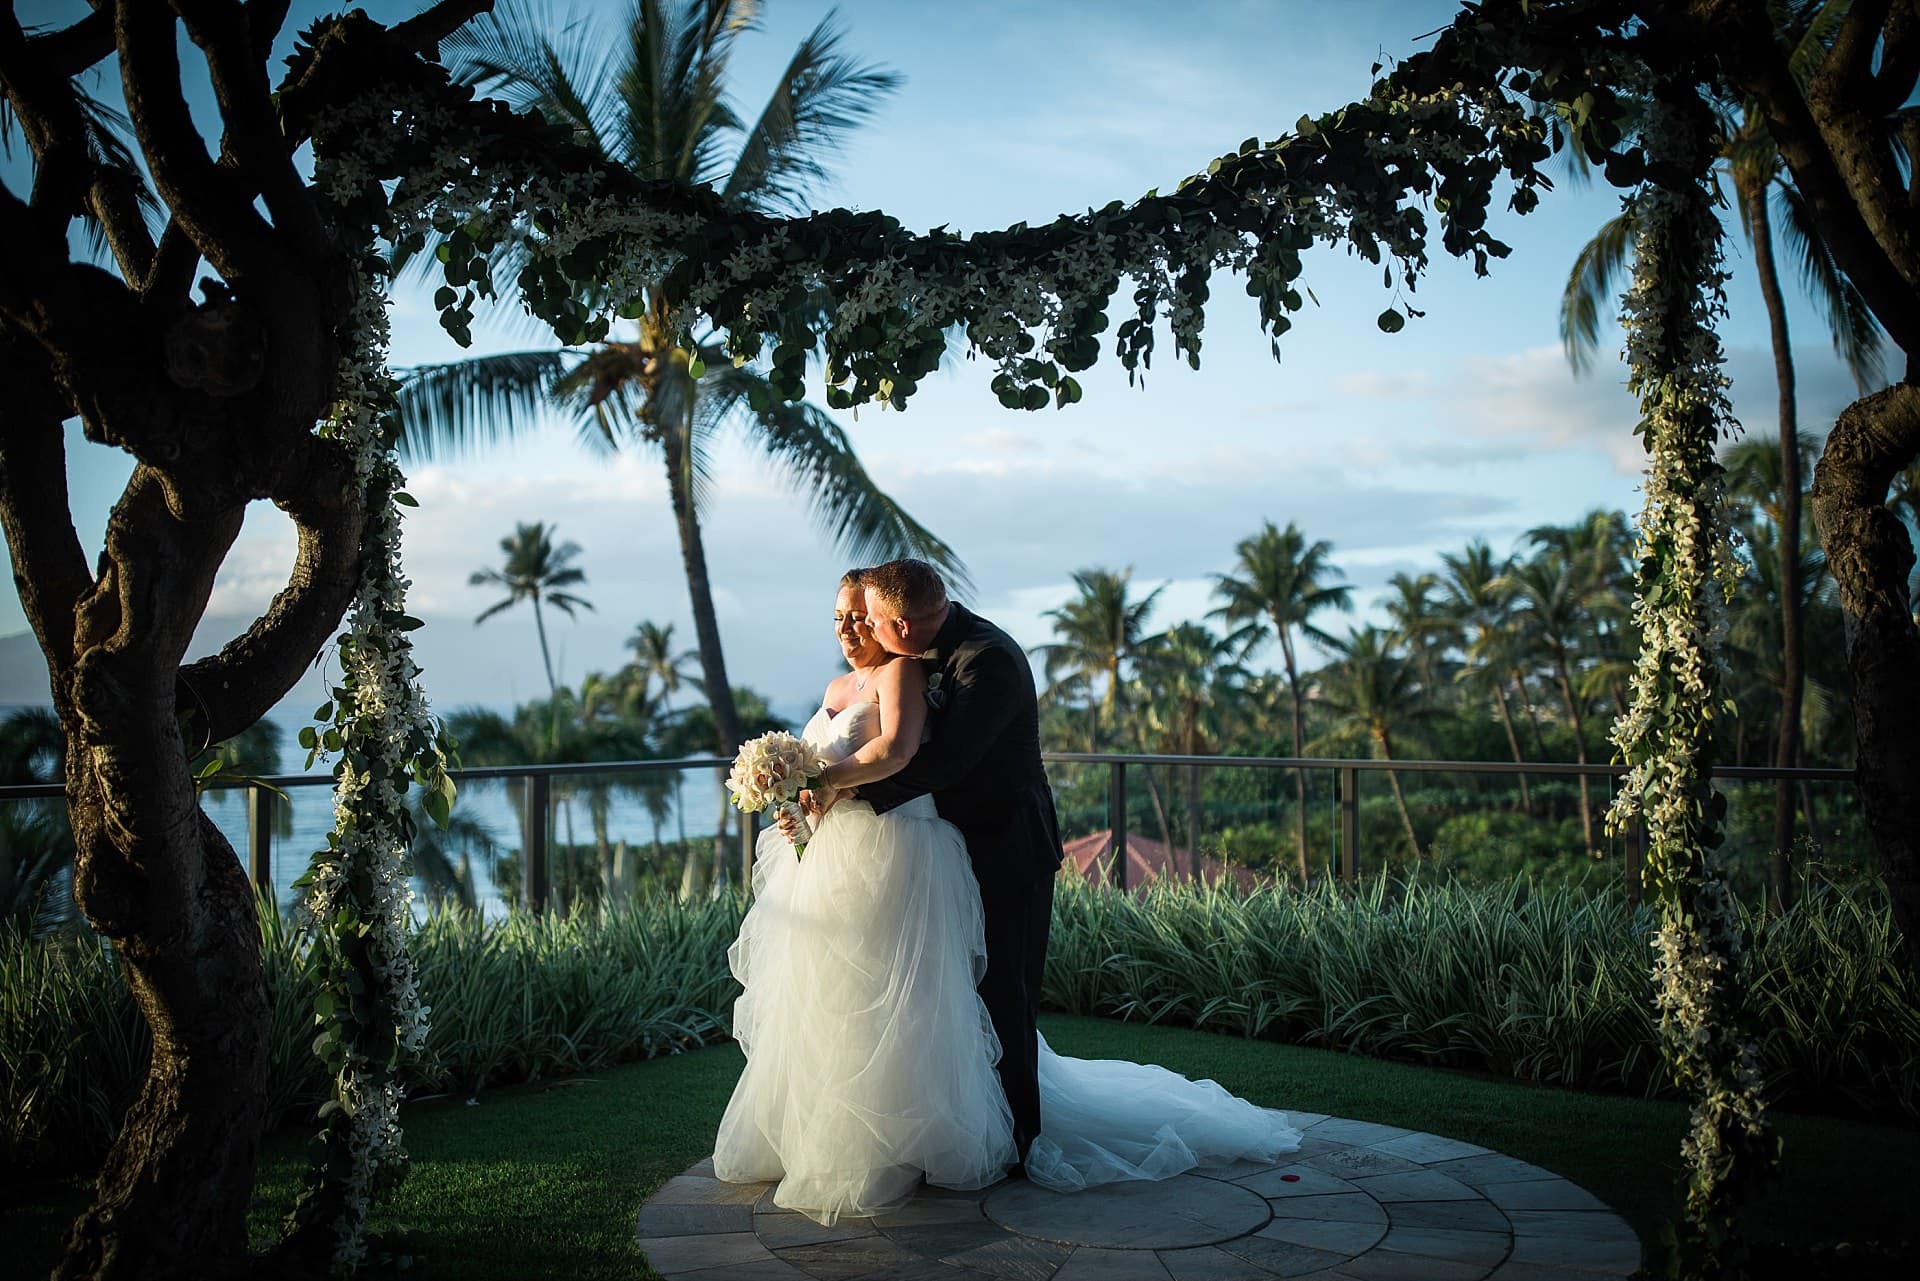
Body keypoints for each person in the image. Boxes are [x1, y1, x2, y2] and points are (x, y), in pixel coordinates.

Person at [714, 562, 1299, 1225]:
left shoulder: (986, 660)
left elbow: (944, 761)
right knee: (944, 1000)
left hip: (1005, 848)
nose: (860, 629)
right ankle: (948, 1130)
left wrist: (824, 785)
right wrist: (809, 797)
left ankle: (1021, 1145)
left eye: (869, 618)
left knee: (1007, 995)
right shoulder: (913, 651)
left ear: (899, 625)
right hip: (936, 849)